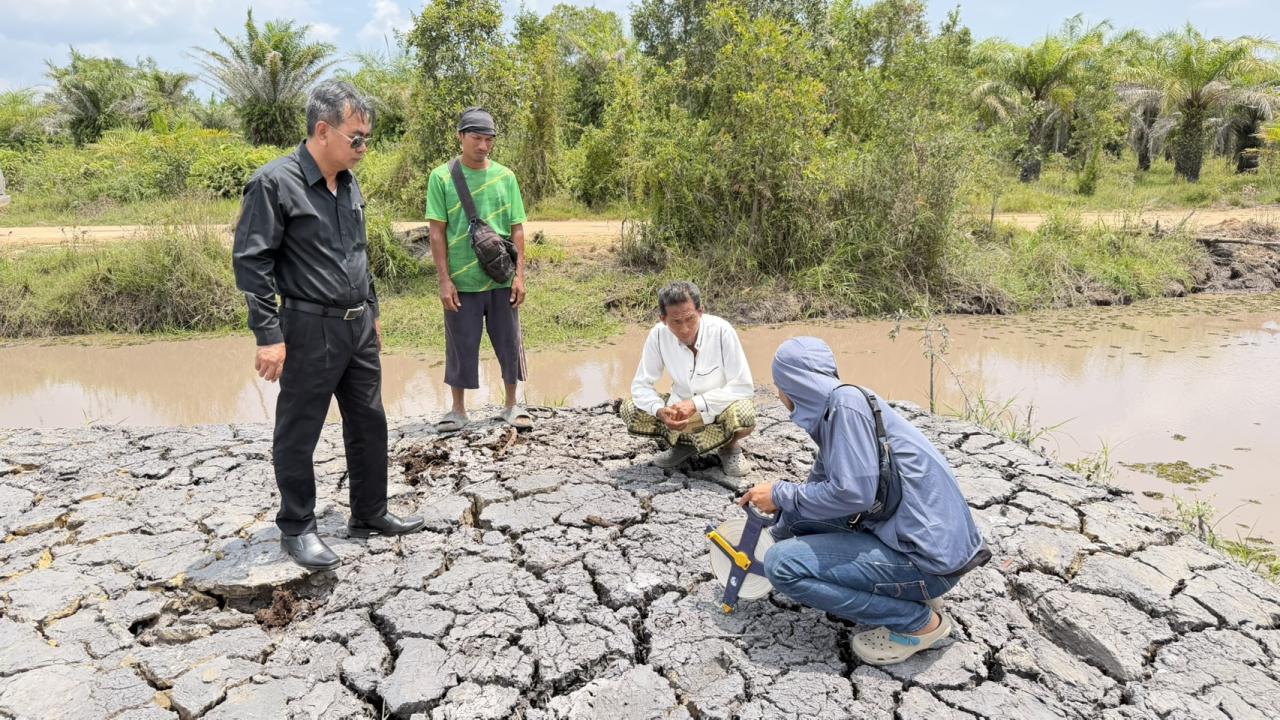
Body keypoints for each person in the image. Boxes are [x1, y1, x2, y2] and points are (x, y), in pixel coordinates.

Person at [233, 80, 424, 571]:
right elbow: (252, 263)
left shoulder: (349, 182)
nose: (364, 147)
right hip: (308, 327)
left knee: (369, 420)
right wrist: (269, 335)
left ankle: (370, 512)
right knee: (299, 430)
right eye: (356, 137)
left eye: (367, 138)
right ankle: (297, 527)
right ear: (323, 131)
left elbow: (358, 254)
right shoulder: (274, 183)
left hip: (356, 327)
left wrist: (373, 311)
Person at [739, 336, 988, 665]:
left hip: (930, 562)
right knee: (796, 518)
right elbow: (817, 489)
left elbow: (854, 495)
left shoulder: (845, 408)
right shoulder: (841, 407)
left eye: (779, 386)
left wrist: (780, 493)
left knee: (782, 566)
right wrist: (780, 514)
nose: (780, 395)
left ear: (792, 386)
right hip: (926, 545)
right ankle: (908, 593)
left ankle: (916, 622)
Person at [426, 107, 531, 432]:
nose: (483, 145)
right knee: (460, 344)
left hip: (501, 279)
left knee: (509, 343)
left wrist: (519, 276)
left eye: (489, 139)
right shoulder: (441, 177)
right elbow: (436, 232)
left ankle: (513, 405)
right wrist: (445, 280)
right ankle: (458, 410)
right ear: (461, 137)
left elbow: (517, 230)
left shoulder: (506, 176)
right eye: (476, 137)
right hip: (462, 281)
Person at [621, 281, 756, 476]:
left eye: (690, 319)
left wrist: (696, 403)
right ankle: (683, 446)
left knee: (744, 412)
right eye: (676, 321)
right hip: (680, 414)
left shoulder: (722, 331)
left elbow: (743, 388)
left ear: (701, 311)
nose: (685, 329)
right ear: (663, 319)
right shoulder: (657, 335)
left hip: (719, 410)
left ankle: (729, 448)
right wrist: (660, 411)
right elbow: (641, 385)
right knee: (631, 407)